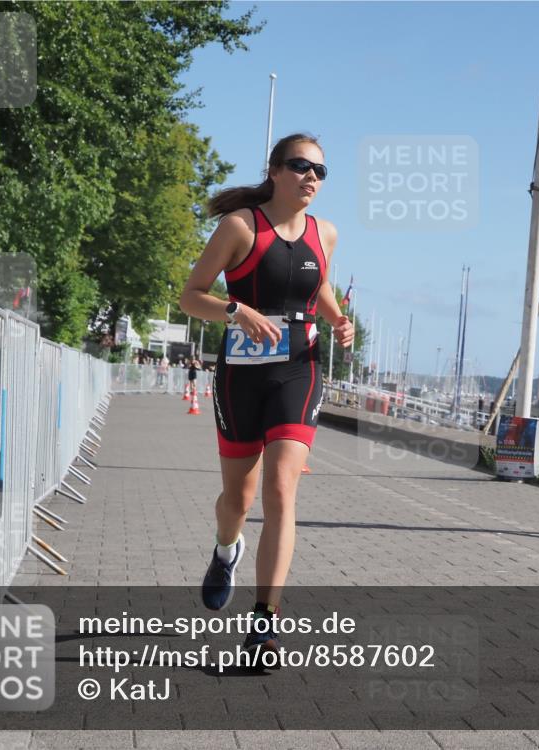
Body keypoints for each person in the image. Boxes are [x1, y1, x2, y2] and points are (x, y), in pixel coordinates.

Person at [179, 132, 354, 666]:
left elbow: (320, 285)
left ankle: (264, 625)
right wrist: (235, 311)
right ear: (275, 170)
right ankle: (225, 549)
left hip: (299, 370)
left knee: (281, 489)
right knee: (239, 499)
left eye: (320, 171)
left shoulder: (326, 233)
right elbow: (191, 296)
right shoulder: (240, 227)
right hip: (241, 376)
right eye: (301, 166)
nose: (311, 177)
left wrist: (338, 320)